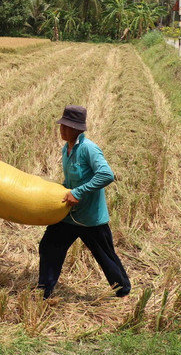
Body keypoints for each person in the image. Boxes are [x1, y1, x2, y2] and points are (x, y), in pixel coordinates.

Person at [37, 105, 131, 299]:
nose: (62, 129)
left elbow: (106, 175)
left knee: (105, 255)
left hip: (90, 218)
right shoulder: (66, 149)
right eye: (61, 125)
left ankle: (123, 290)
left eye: (66, 126)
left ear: (77, 129)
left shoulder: (89, 148)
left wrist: (79, 191)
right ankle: (43, 290)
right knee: (49, 246)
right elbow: (71, 181)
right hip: (69, 215)